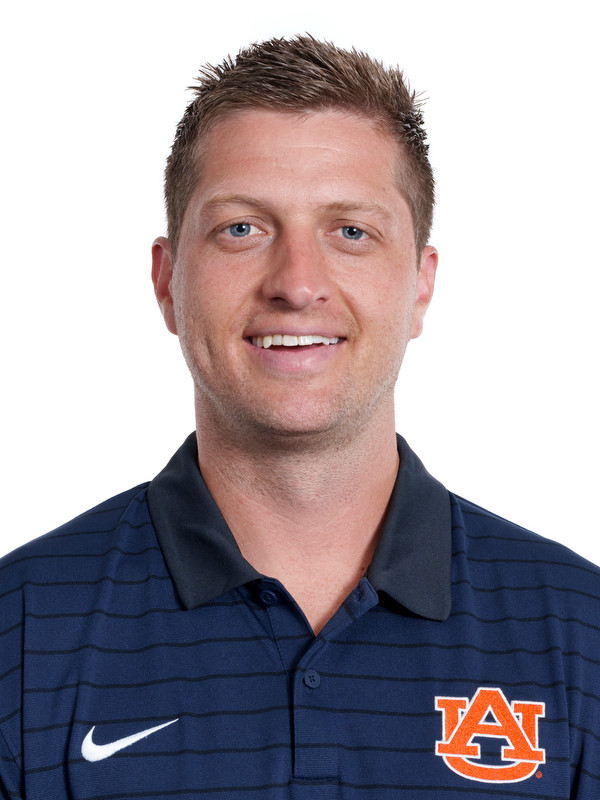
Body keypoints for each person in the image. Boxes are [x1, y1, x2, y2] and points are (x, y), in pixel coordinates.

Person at [1, 35, 598, 800]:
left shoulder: (581, 634)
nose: (297, 283)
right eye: (242, 229)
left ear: (420, 286)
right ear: (167, 281)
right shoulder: (19, 634)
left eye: (351, 231)